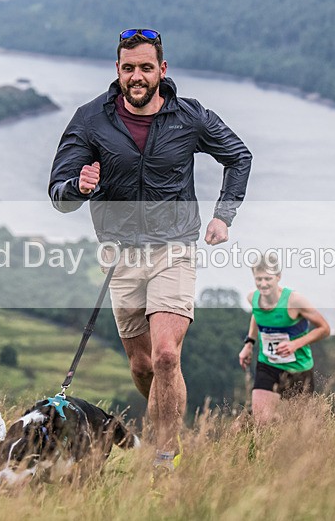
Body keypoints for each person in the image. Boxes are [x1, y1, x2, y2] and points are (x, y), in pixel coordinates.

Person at [49, 28, 252, 471]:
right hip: (119, 256)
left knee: (165, 355)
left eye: (145, 67)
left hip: (174, 248)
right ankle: (166, 409)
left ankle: (165, 452)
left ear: (162, 69)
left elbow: (239, 156)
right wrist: (76, 187)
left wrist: (224, 215)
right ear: (117, 71)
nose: (136, 76)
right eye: (128, 68)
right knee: (143, 367)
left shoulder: (189, 117)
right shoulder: (90, 120)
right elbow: (57, 196)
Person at [238, 253, 330, 424]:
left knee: (299, 426)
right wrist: (249, 343)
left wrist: (295, 344)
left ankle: (287, 427)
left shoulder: (294, 301)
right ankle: (267, 440)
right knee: (261, 421)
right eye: (258, 279)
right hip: (268, 364)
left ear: (278, 277)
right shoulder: (253, 298)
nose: (263, 284)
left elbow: (324, 329)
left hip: (298, 368)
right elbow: (257, 316)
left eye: (268, 278)